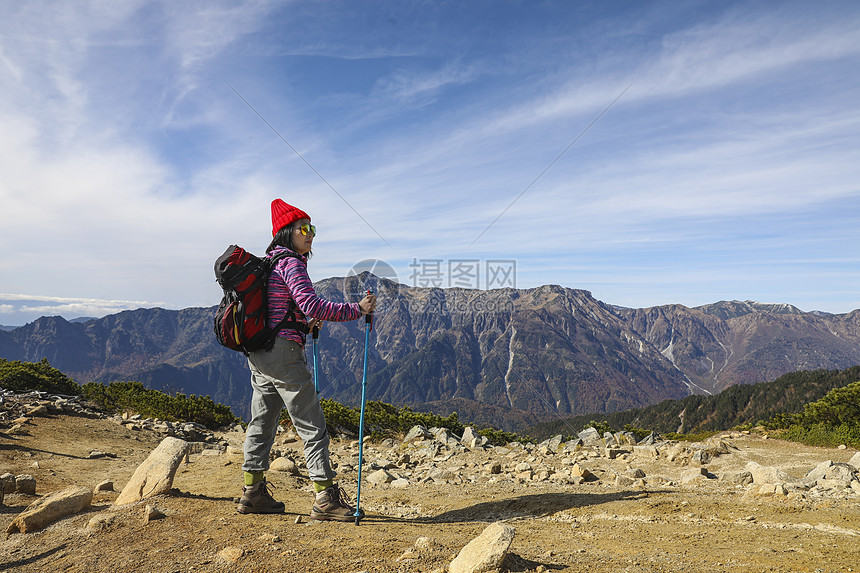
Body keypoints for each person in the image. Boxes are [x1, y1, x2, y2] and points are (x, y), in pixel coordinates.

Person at [238, 198, 376, 521]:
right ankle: (325, 499)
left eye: (312, 228)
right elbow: (313, 306)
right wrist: (358, 310)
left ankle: (252, 492)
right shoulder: (291, 263)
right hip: (284, 355)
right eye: (304, 228)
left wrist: (302, 322)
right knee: (312, 424)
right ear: (287, 231)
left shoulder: (269, 263)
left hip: (258, 354)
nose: (310, 234)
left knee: (262, 422)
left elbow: (284, 311)